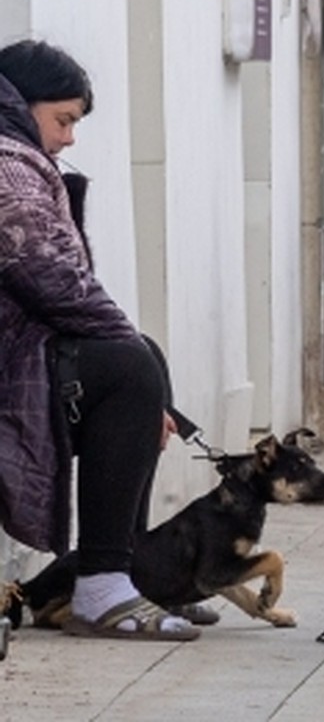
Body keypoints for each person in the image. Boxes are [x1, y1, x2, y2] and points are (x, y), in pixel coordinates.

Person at [0, 39, 200, 640]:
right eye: (62, 121)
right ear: (20, 104)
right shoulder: (8, 164)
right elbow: (50, 276)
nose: (68, 138)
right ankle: (102, 586)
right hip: (13, 362)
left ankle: (119, 577)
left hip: (18, 355)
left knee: (137, 362)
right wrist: (135, 362)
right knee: (128, 368)